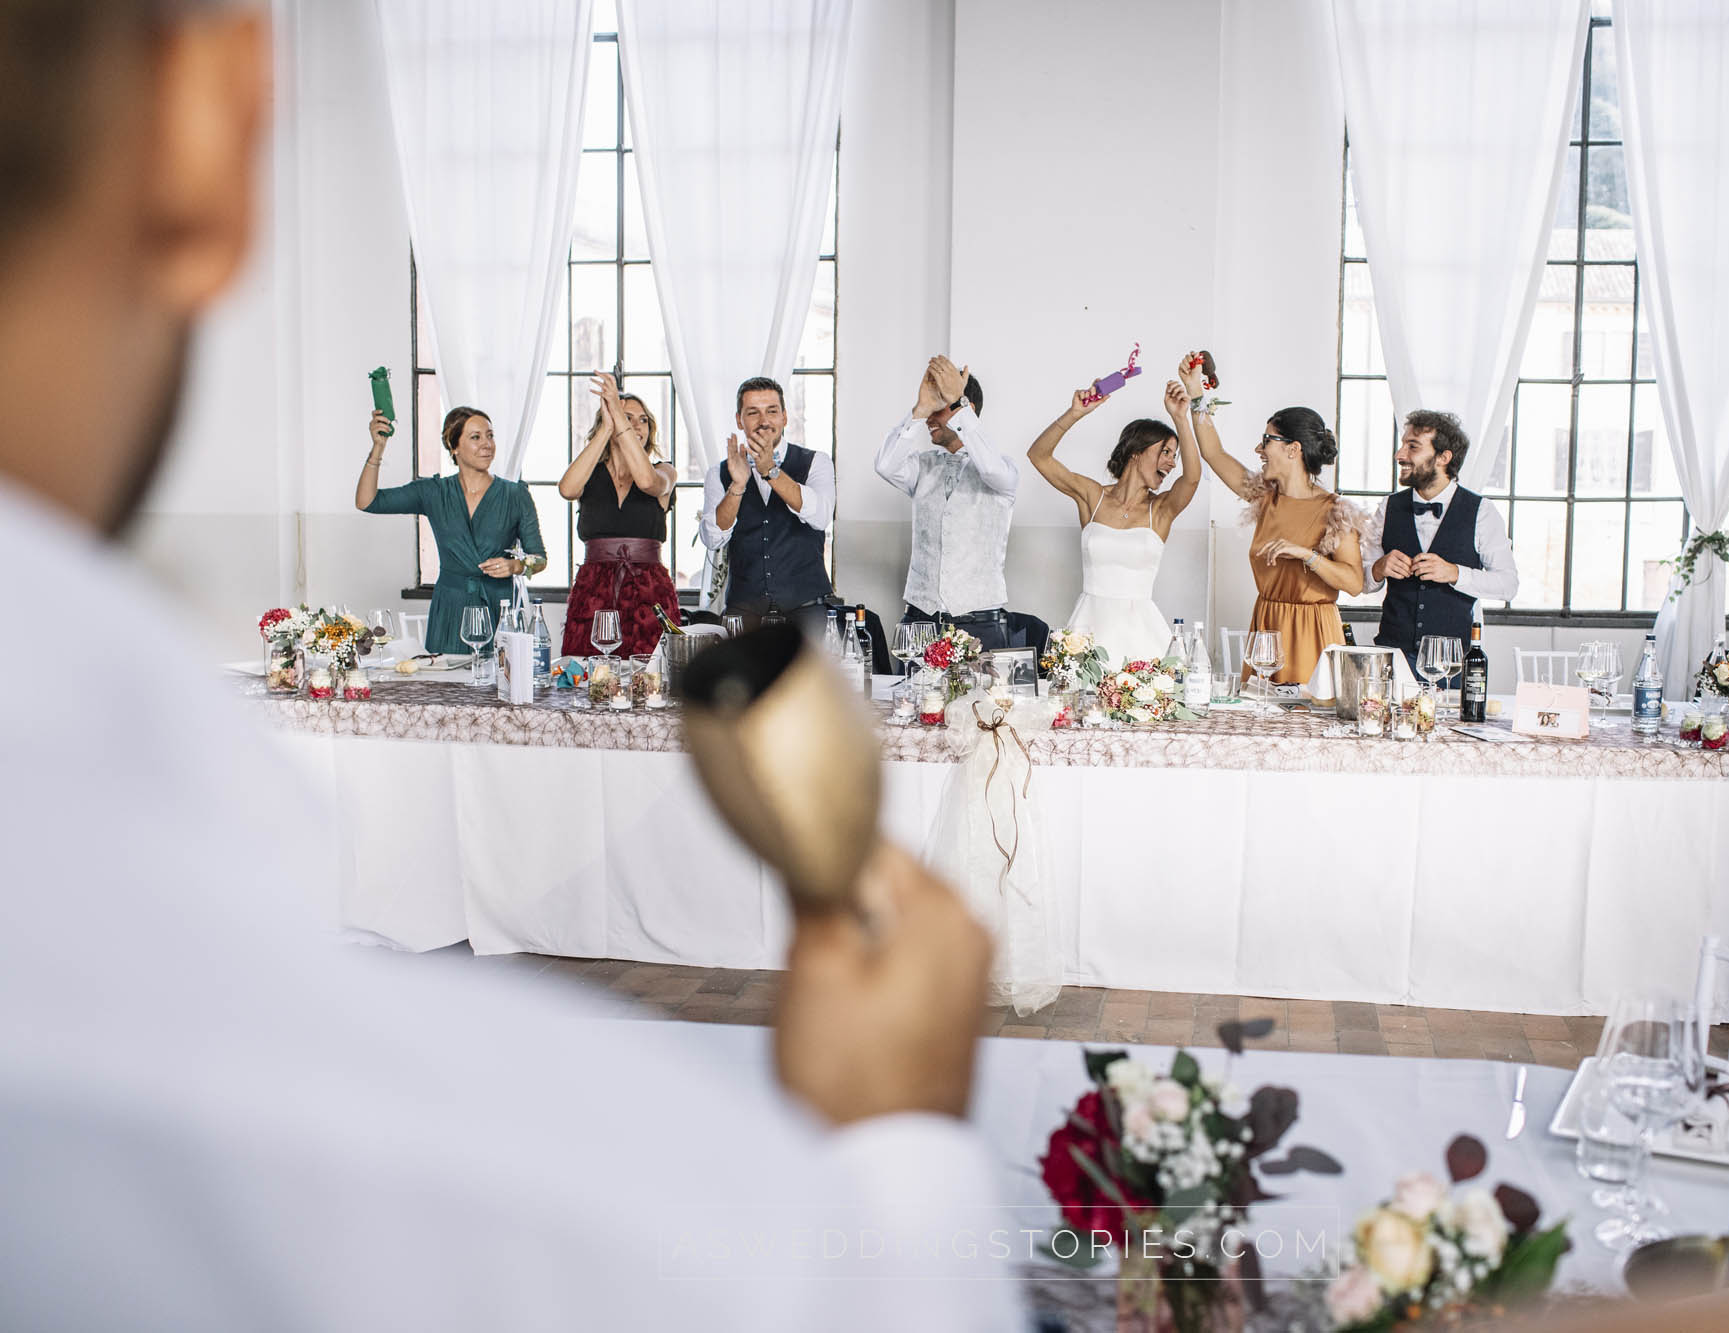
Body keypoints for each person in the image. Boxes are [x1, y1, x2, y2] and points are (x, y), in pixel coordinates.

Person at [0, 5, 1013, 1327]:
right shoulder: (589, 1210)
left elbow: (741, 510)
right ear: (209, 119)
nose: (756, 421)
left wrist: (712, 452)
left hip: (780, 604)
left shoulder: (798, 461)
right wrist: (901, 1154)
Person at [1185, 356, 1364, 685]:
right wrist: (1196, 391)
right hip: (1267, 628)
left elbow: (1354, 583)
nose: (1259, 448)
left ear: (1293, 449)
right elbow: (1213, 453)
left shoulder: (1335, 511)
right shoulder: (1264, 497)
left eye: (1267, 440)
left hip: (1315, 634)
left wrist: (1306, 555)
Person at [1028, 374, 1203, 667]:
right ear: (1136, 452)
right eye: (1165, 452)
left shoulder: (1160, 509)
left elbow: (1193, 478)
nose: (1172, 463)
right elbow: (1038, 456)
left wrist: (1181, 419)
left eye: (1174, 455)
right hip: (1087, 631)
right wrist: (1075, 413)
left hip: (1144, 636)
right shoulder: (1092, 496)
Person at [356, 405, 547, 653]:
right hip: (450, 607)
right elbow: (367, 501)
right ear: (454, 446)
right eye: (475, 437)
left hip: (500, 608)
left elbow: (539, 558)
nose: (487, 444)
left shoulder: (516, 495)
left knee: (500, 685)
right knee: (444, 688)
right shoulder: (433, 492)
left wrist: (516, 566)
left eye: (490, 435)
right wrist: (378, 448)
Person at [876, 354, 1018, 652]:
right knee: (909, 700)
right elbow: (886, 465)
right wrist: (920, 408)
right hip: (919, 621)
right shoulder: (920, 467)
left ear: (967, 409)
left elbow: (990, 469)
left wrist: (958, 403)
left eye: (938, 408)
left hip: (980, 624)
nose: (930, 419)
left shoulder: (1002, 470)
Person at [1360, 409, 1519, 669]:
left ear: (1444, 457)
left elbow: (1508, 585)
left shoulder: (1482, 512)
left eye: (1412, 447)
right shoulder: (1387, 508)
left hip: (1453, 662)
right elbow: (1364, 583)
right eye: (1403, 445)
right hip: (1392, 656)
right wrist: (1378, 569)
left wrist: (1455, 573)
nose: (1399, 455)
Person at [698, 375, 838, 630]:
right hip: (744, 614)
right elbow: (713, 538)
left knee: (810, 673)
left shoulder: (817, 462)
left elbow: (820, 517)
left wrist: (771, 471)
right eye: (753, 413)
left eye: (771, 411)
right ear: (739, 420)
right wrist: (737, 486)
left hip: (807, 611)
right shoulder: (718, 473)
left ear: (784, 416)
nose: (764, 422)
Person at [556, 370, 678, 659]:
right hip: (594, 589)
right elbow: (567, 489)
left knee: (648, 678)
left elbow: (648, 483)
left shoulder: (663, 471)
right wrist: (606, 430)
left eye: (642, 419)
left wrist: (619, 421)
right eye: (626, 416)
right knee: (589, 676)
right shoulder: (590, 474)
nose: (635, 424)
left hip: (649, 588)